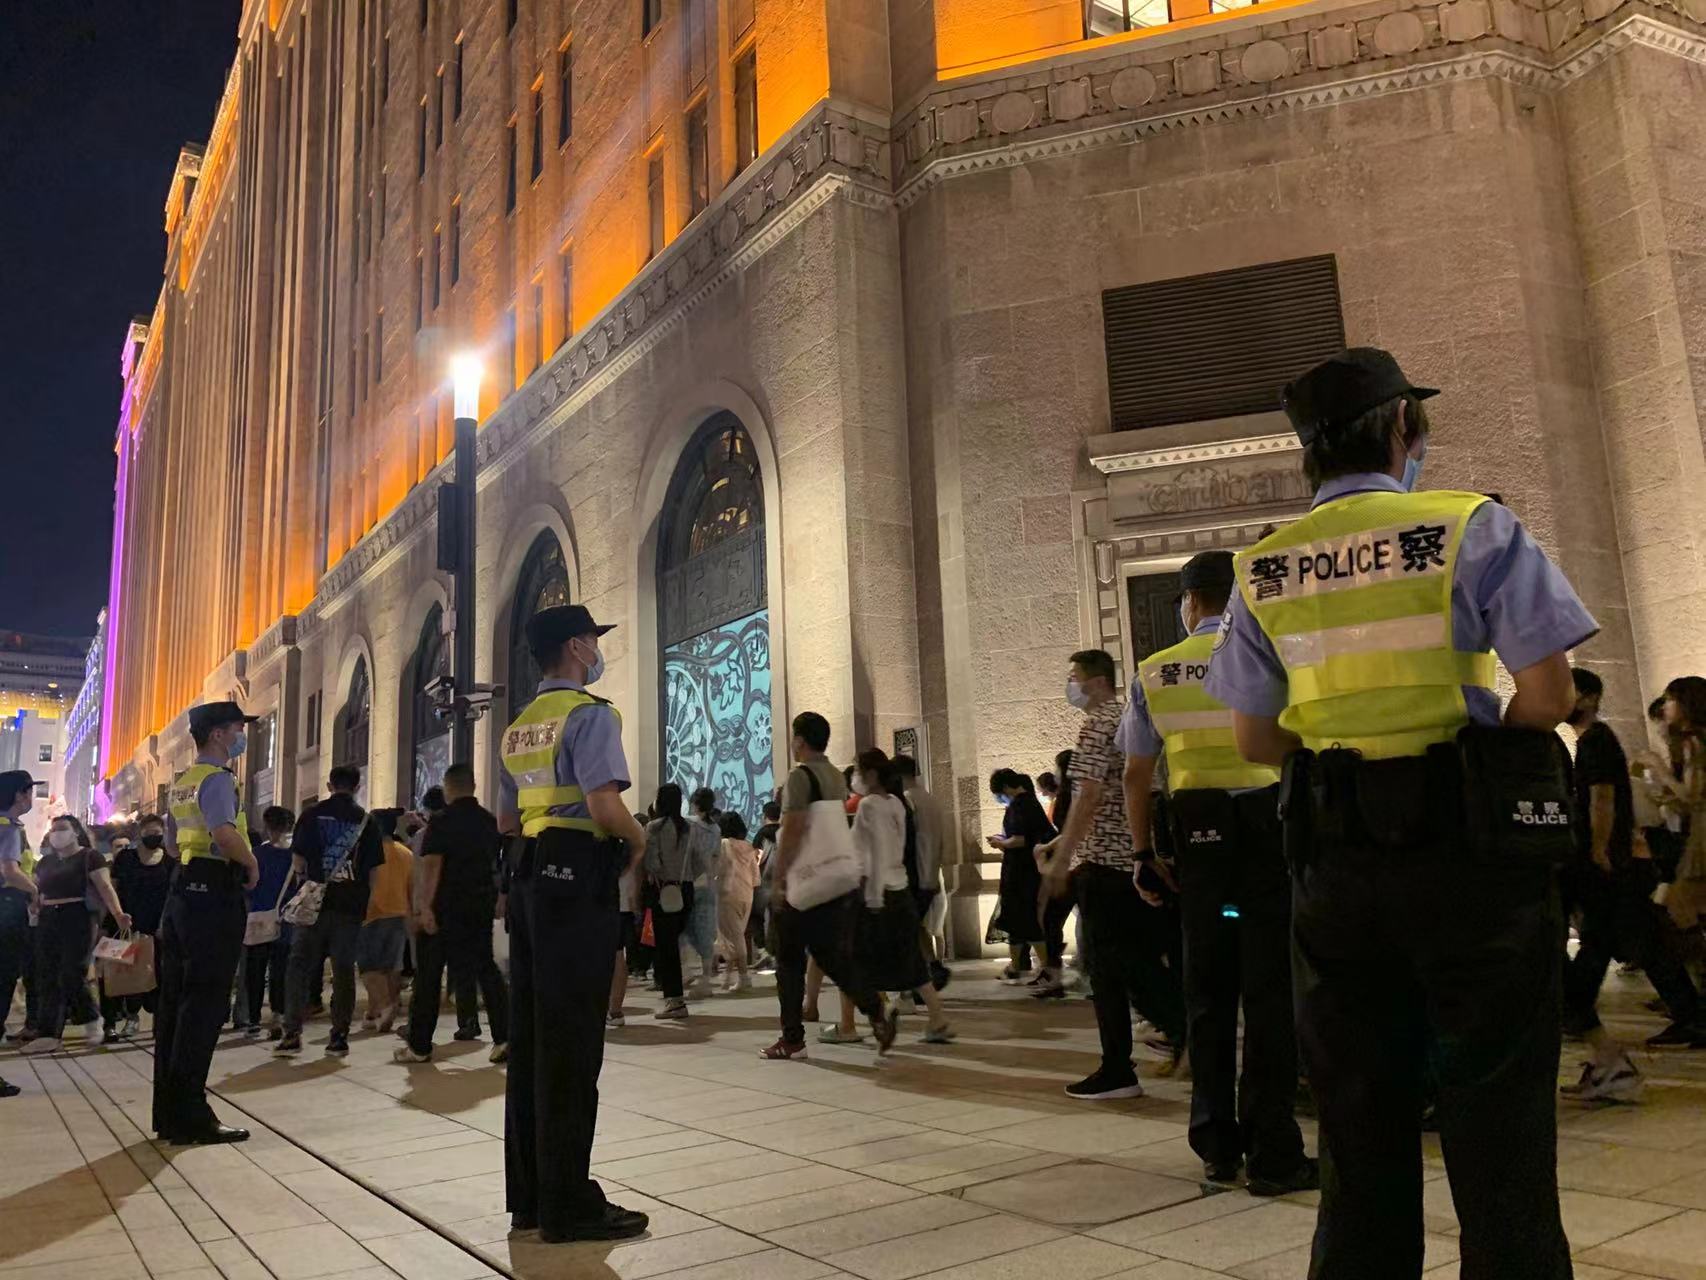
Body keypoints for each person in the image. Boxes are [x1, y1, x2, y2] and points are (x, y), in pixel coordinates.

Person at [1204, 347, 1591, 1279]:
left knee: (1356, 1124)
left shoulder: (1262, 567)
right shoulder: (1470, 527)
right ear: (1404, 427)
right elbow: (1548, 696)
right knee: (1499, 1124)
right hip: (1471, 856)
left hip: (1335, 865)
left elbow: (1256, 740)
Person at [1122, 549, 1315, 1195]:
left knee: (1206, 998)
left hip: (1199, 847)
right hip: (1268, 839)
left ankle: (1215, 1145)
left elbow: (1136, 774)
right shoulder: (1271, 656)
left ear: (1188, 602)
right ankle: (1274, 1151)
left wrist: (1144, 855)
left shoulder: (1154, 672)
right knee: (1270, 998)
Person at [497, 604, 649, 1243]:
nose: (596, 648)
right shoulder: (590, 715)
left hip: (529, 874)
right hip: (576, 873)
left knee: (533, 1036)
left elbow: (507, 820)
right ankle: (569, 1205)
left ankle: (532, 1198)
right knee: (574, 1040)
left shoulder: (519, 726)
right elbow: (603, 803)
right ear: (577, 647)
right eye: (592, 638)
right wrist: (637, 841)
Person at [153, 702, 261, 1144]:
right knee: (206, 1003)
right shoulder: (217, 780)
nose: (241, 736)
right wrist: (250, 863)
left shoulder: (183, 783)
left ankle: (170, 1113)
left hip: (182, 890)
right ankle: (192, 1114)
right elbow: (224, 833)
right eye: (237, 728)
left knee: (176, 1002)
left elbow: (172, 845)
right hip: (214, 892)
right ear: (218, 734)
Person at [761, 713, 892, 1060]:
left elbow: (794, 828)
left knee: (788, 961)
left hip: (806, 883)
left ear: (800, 740)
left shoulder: (800, 776)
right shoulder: (835, 775)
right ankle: (874, 1007)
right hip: (838, 878)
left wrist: (779, 879)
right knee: (833, 957)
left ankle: (792, 1039)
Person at [397, 763, 510, 1063]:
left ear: (448, 788)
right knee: (486, 968)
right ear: (472, 786)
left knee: (429, 976)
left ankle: (420, 1045)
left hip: (445, 907)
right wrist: (499, 898)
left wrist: (425, 907)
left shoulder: (442, 822)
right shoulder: (489, 821)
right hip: (479, 905)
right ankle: (504, 1037)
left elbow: (432, 866)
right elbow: (498, 865)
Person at [275, 765, 385, 1057]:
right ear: (357, 787)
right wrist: (367, 903)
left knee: (298, 966)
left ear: (329, 785)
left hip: (314, 905)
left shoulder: (311, 815)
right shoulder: (367, 822)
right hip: (350, 907)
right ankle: (338, 1036)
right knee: (343, 971)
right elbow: (374, 872)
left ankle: (291, 1033)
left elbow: (298, 861)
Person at [849, 748, 953, 1044]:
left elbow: (876, 853)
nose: (855, 776)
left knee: (860, 960)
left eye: (857, 770)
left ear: (870, 774)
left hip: (879, 894)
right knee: (910, 960)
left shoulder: (869, 806)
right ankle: (936, 1018)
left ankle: (878, 1019)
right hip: (901, 888)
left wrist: (872, 898)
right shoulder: (896, 802)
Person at [18, 816, 127, 1054]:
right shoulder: (46, 861)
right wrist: (34, 903)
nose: (57, 833)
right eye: (54, 829)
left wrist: (118, 913)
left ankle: (91, 1017)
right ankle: (48, 1034)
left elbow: (105, 887)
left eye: (62, 828)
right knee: (47, 975)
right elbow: (38, 888)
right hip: (48, 918)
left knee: (72, 972)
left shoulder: (90, 857)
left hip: (78, 917)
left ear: (76, 831)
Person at [642, 783, 712, 1020]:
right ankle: (675, 997)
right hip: (686, 889)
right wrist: (685, 876)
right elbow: (701, 862)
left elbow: (651, 862)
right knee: (675, 942)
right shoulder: (690, 828)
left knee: (666, 947)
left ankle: (674, 1000)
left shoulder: (654, 827)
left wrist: (662, 874)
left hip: (664, 891)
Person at [104, 813, 176, 1040]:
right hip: (122, 924)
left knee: (156, 976)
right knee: (114, 974)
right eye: (148, 833)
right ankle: (111, 1023)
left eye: (157, 833)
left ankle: (155, 1021)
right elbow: (113, 888)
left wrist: (164, 923)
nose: (153, 836)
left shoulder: (169, 862)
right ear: (140, 833)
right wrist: (113, 916)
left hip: (155, 929)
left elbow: (172, 896)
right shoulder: (126, 858)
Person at [986, 769, 1059, 990]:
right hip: (1028, 870)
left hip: (1021, 872)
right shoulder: (1030, 802)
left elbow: (1019, 840)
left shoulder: (1020, 805)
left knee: (1025, 920)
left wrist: (1000, 842)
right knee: (1017, 921)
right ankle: (1017, 966)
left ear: (1006, 788)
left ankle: (1046, 969)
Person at [894, 755, 951, 991]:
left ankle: (920, 981)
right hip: (930, 873)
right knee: (914, 926)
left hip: (914, 873)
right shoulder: (930, 799)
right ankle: (932, 967)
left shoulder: (908, 799)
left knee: (906, 929)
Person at [239, 806, 295, 1039]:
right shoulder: (295, 857)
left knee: (255, 972)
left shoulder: (256, 855)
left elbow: (247, 887)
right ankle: (278, 1014)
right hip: (286, 922)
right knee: (280, 971)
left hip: (258, 920)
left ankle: (253, 1020)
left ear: (267, 826)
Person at [1, 771, 43, 1062]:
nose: (31, 798)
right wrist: (34, 890)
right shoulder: (9, 829)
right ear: (19, 794)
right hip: (7, 907)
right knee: (3, 982)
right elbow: (10, 871)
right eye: (29, 792)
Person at [360, 810, 413, 1034]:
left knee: (369, 968)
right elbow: (411, 886)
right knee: (391, 967)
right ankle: (376, 1012)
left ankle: (384, 1006)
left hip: (371, 913)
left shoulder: (368, 851)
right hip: (399, 912)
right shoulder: (406, 853)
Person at [716, 812, 759, 991]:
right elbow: (756, 877)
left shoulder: (723, 844)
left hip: (727, 895)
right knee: (736, 935)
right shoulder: (748, 846)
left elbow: (718, 869)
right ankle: (728, 977)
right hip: (747, 893)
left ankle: (743, 976)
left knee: (733, 937)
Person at [750, 799, 781, 969]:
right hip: (782, 883)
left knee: (755, 916)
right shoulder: (785, 832)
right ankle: (774, 954)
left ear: (765, 816)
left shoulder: (761, 834)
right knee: (777, 920)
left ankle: (762, 950)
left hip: (763, 882)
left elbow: (756, 857)